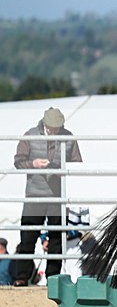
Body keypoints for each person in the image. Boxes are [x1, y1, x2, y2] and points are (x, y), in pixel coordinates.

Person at [13, 107, 82, 286]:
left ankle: (53, 278)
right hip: (34, 194)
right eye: (51, 127)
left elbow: (77, 164)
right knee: (27, 236)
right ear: (44, 124)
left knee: (57, 237)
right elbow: (18, 162)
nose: (54, 130)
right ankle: (22, 277)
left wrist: (62, 171)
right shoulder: (29, 136)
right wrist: (33, 164)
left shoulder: (69, 138)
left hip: (58, 195)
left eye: (57, 127)